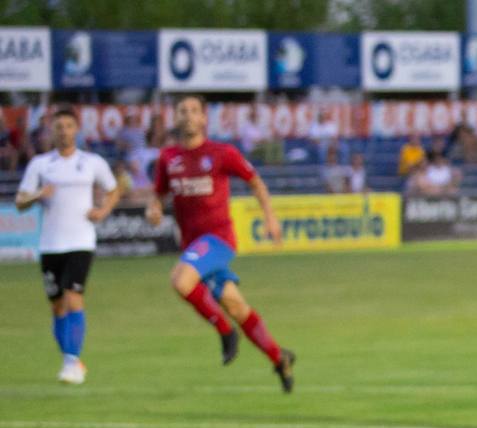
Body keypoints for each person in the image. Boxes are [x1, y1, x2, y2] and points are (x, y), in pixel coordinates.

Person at [146, 95, 295, 392]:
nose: (188, 115)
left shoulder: (221, 153)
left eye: (193, 111)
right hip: (193, 245)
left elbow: (255, 181)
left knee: (180, 280)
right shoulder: (168, 158)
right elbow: (158, 194)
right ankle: (280, 358)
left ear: (204, 119)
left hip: (218, 240)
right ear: (176, 118)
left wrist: (270, 216)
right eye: (182, 111)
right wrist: (154, 209)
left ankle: (225, 332)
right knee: (236, 306)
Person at [14, 108, 122, 385]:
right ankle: (71, 359)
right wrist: (40, 194)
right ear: (52, 131)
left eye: (68, 126)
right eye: (58, 126)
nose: (63, 131)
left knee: (73, 299)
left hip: (80, 242)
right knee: (57, 307)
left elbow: (113, 188)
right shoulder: (40, 164)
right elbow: (20, 201)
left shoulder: (91, 162)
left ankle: (72, 362)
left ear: (77, 130)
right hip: (50, 244)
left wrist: (103, 210)